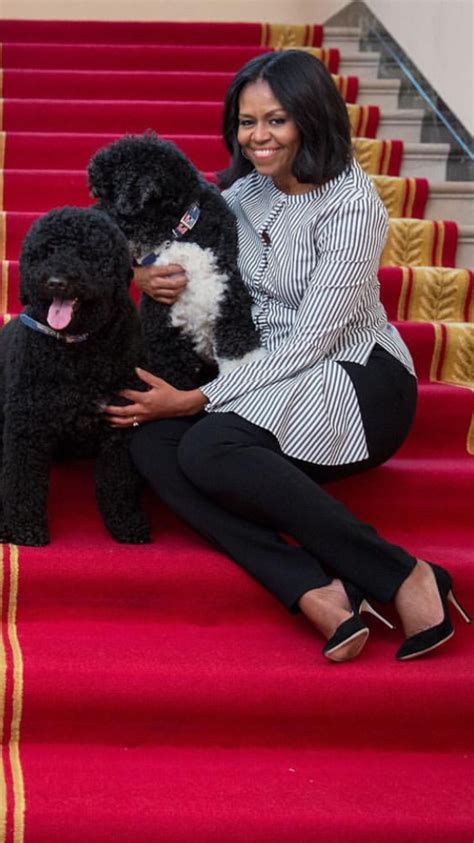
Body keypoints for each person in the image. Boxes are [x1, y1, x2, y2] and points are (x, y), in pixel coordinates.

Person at [105, 49, 470, 662]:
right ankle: (312, 587)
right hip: (264, 377)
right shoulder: (238, 194)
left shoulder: (353, 206)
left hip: (354, 379)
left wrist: (197, 398)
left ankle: (404, 575)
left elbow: (313, 339)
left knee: (205, 443)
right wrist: (139, 273)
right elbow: (136, 216)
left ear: (311, 115)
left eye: (275, 120)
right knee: (150, 443)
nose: (258, 137)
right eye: (247, 122)